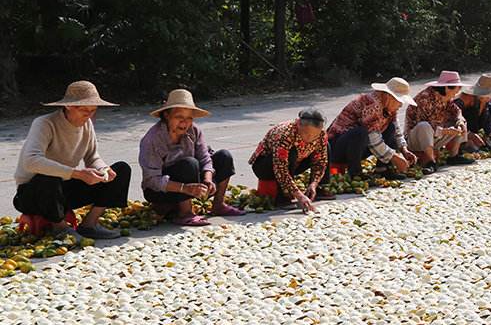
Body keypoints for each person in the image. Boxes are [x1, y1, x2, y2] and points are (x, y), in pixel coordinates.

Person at [13, 81, 131, 239]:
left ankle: (90, 224)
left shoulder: (87, 124)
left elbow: (92, 156)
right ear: (68, 106)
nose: (89, 115)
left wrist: (103, 169)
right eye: (84, 110)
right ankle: (60, 228)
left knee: (121, 169)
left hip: (63, 191)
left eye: (93, 110)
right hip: (33, 194)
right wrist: (77, 174)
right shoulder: (44, 123)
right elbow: (31, 161)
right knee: (49, 178)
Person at [139, 89, 244, 227]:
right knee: (189, 163)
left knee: (224, 156)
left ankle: (218, 205)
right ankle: (185, 213)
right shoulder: (153, 139)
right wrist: (184, 188)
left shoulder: (194, 131)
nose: (184, 122)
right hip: (161, 191)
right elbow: (152, 180)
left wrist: (207, 179)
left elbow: (205, 158)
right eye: (179, 117)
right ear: (166, 115)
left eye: (189, 118)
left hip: (192, 185)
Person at [326, 77, 419, 180]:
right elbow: (372, 138)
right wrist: (394, 157)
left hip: (359, 146)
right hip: (337, 146)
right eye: (399, 101)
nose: (401, 105)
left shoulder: (389, 107)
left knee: (390, 127)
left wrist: (404, 149)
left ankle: (383, 169)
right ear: (389, 97)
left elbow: (396, 129)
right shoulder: (372, 104)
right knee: (360, 133)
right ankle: (355, 173)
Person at [249, 109, 333, 212]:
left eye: (314, 135)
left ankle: (318, 189)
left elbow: (320, 160)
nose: (310, 139)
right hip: (265, 167)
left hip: (295, 163)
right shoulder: (285, 134)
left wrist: (314, 183)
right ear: (298, 124)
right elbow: (280, 169)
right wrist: (299, 195)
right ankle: (283, 198)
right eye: (306, 134)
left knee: (326, 146)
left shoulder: (321, 134)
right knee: (292, 152)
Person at [405, 71, 474, 174]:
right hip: (416, 139)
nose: (459, 91)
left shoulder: (446, 98)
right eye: (457, 88)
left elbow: (457, 111)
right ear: (447, 88)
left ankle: (454, 156)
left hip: (436, 136)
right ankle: (430, 162)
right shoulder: (425, 98)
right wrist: (444, 131)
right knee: (424, 126)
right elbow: (423, 124)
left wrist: (460, 122)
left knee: (460, 122)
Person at [454, 75, 491, 152]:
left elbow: (487, 118)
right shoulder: (466, 98)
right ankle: (463, 144)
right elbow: (453, 115)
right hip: (459, 128)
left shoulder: (484, 101)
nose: (489, 97)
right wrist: (469, 134)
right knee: (472, 113)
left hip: (472, 129)